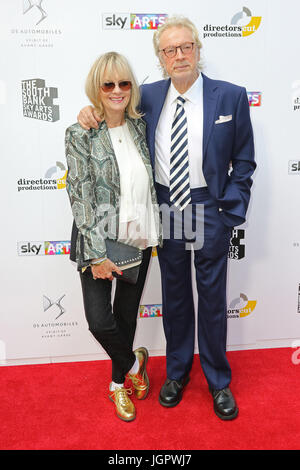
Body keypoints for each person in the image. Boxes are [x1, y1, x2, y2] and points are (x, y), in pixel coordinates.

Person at [77, 16, 256, 420]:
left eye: (185, 47)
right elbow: (113, 110)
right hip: (166, 207)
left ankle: (218, 381)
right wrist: (89, 111)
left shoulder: (231, 96)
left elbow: (244, 160)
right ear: (159, 56)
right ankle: (177, 373)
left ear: (198, 48)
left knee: (211, 297)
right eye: (169, 49)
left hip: (209, 206)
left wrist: (230, 207)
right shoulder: (148, 96)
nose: (179, 55)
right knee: (174, 295)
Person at [65, 51, 161, 422]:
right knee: (99, 321)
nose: (117, 90)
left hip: (139, 238)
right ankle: (135, 365)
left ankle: (118, 385)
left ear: (132, 88)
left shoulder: (140, 126)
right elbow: (80, 195)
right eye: (109, 84)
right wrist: (94, 254)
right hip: (99, 245)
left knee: (124, 318)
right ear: (97, 88)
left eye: (124, 83)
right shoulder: (81, 133)